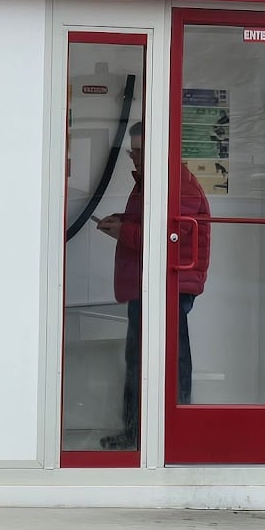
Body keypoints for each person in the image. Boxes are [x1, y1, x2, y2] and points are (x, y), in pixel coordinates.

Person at [95, 123, 211, 448]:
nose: (135, 158)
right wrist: (123, 220)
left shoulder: (178, 185)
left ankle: (172, 433)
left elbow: (169, 237)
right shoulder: (151, 181)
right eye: (133, 151)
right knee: (140, 359)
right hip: (150, 284)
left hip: (170, 284)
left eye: (141, 151)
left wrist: (123, 232)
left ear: (162, 150)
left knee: (170, 360)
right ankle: (137, 432)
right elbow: (151, 223)